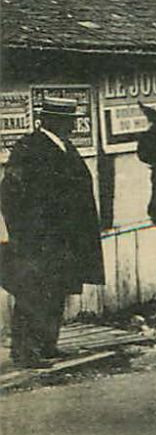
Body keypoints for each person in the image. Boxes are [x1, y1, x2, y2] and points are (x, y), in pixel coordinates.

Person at [1, 97, 105, 367]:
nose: (71, 125)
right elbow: (10, 193)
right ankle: (25, 352)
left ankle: (48, 345)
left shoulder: (65, 146)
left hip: (65, 240)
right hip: (39, 242)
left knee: (56, 292)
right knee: (32, 293)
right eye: (68, 120)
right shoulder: (29, 147)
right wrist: (30, 235)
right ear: (52, 121)